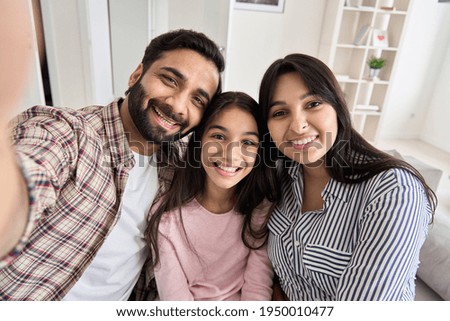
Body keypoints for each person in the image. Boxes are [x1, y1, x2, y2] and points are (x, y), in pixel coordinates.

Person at [0, 28, 224, 300]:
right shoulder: (68, 134)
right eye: (170, 80)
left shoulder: (178, 160)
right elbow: (32, 171)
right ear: (136, 75)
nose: (178, 106)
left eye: (197, 99)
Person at [258, 53, 437, 301]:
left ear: (337, 105)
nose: (297, 125)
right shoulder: (283, 176)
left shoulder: (395, 190)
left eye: (312, 104)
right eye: (280, 113)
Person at [148, 92, 279, 300]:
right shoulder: (166, 219)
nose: (230, 154)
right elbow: (174, 299)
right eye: (219, 136)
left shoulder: (260, 212)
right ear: (199, 141)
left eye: (248, 143)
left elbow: (257, 288)